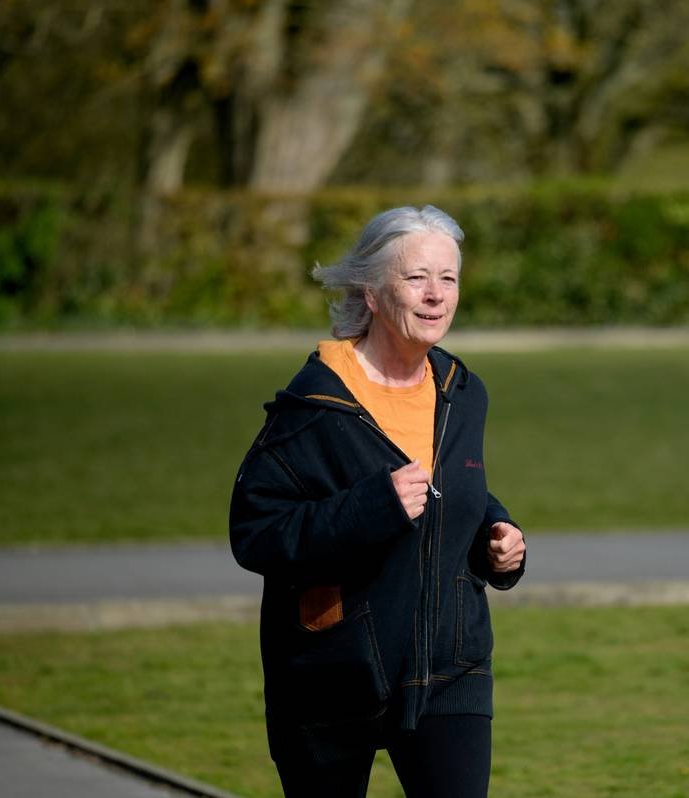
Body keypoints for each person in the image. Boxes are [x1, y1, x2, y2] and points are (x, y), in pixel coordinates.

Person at [229, 205, 527, 798]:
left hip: (451, 672)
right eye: (416, 277)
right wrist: (371, 507)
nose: (436, 294)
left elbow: (455, 488)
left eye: (449, 278)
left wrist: (499, 535)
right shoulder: (314, 405)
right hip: (332, 676)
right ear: (369, 290)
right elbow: (255, 531)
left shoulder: (462, 391)